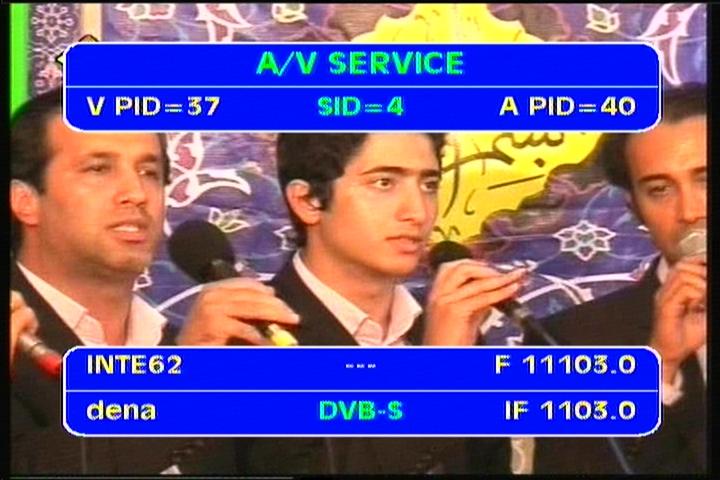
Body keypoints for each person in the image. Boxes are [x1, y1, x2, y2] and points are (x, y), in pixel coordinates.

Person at [9, 87, 298, 474]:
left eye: (149, 173)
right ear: (25, 201)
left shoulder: (193, 349)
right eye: (99, 169)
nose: (136, 194)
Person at [228, 133, 528, 474]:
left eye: (429, 185)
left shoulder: (450, 331)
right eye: (384, 183)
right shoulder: (247, 341)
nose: (417, 212)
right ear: (307, 201)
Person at [527, 84, 707, 474]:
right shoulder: (571, 344)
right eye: (660, 190)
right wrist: (658, 368)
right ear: (635, 209)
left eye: (705, 179)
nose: (690, 211)